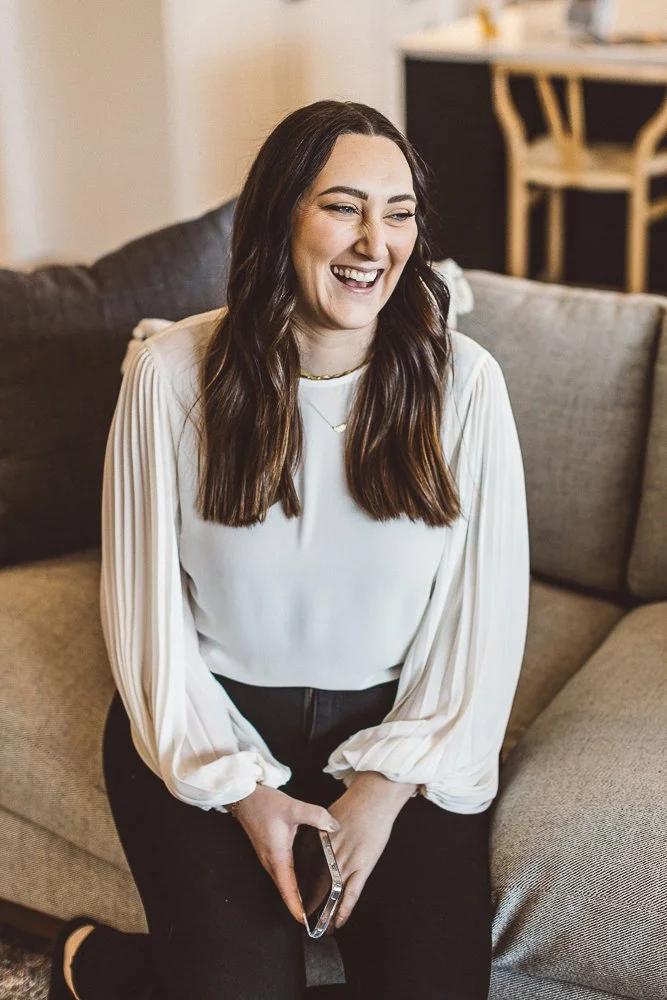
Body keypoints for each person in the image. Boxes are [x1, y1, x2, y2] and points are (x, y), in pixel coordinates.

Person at [48, 99, 530, 1000]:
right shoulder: (168, 376)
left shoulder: (465, 385)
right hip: (208, 724)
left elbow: (482, 622)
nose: (374, 241)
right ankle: (105, 968)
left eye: (399, 212)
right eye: (343, 206)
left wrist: (381, 792)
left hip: (395, 733)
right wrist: (241, 790)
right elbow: (146, 625)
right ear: (278, 217)